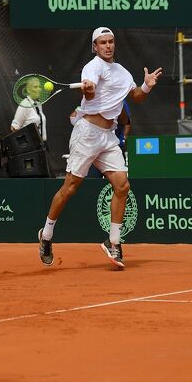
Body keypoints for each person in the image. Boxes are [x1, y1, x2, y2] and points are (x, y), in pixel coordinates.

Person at [37, 27, 162, 268]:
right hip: (87, 135)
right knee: (70, 188)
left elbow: (135, 96)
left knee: (122, 185)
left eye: (111, 42)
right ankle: (47, 235)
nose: (108, 46)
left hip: (108, 136)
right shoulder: (92, 67)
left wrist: (146, 86)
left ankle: (113, 243)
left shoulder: (123, 72)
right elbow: (91, 95)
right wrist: (89, 89)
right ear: (95, 46)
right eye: (103, 42)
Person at [10, 76, 47, 144]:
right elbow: (14, 127)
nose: (39, 89)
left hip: (42, 146)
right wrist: (27, 143)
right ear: (28, 90)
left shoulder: (38, 104)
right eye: (35, 87)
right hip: (32, 147)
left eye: (39, 87)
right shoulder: (24, 104)